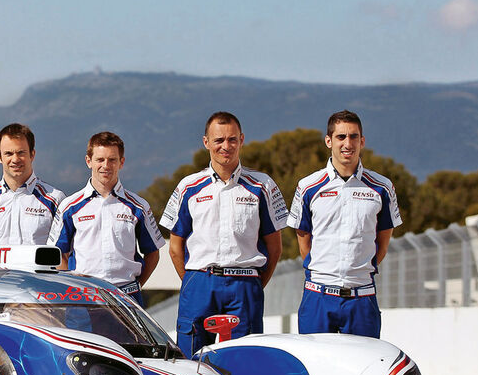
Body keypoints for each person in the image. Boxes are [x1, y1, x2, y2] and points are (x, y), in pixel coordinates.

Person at [159, 112, 287, 356]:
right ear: (206, 142)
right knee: (190, 359)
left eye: (232, 140)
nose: (225, 147)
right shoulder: (188, 186)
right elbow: (175, 248)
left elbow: (275, 248)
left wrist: (254, 285)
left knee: (244, 361)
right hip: (200, 282)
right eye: (218, 140)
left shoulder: (263, 185)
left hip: (245, 283)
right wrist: (192, 282)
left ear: (241, 140)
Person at [287, 110, 401, 338]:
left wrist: (357, 273)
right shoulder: (308, 186)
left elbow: (383, 243)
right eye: (341, 137)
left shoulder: (382, 187)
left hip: (362, 298)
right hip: (318, 296)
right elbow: (304, 242)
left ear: (362, 141)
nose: (347, 143)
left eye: (353, 136)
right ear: (329, 141)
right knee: (315, 368)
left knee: (362, 370)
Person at [48, 132, 164, 305]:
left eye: (112, 160)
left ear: (121, 162)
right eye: (100, 160)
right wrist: (71, 285)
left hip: (126, 297)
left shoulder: (139, 206)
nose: (106, 166)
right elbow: (56, 254)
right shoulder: (69, 206)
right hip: (83, 298)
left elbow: (153, 253)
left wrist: (137, 285)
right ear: (89, 161)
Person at [0, 124, 65, 244]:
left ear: (32, 154)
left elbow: (64, 253)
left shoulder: (55, 200)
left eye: (21, 152)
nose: (15, 159)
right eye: (9, 154)